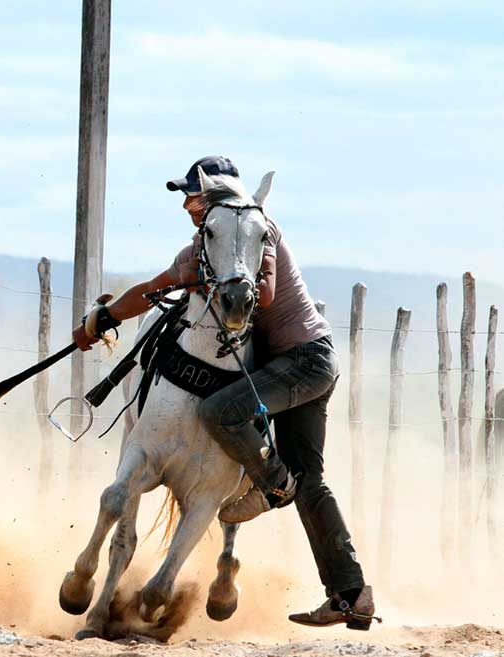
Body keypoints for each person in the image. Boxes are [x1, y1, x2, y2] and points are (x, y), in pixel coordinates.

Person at [72, 156, 375, 629]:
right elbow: (153, 289)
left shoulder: (258, 230)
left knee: (220, 411)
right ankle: (350, 595)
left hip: (305, 361)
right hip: (295, 366)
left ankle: (268, 487)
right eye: (187, 197)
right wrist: (103, 319)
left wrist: (214, 283)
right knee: (311, 482)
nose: (188, 205)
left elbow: (264, 298)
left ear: (217, 197)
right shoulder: (204, 248)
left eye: (194, 195)